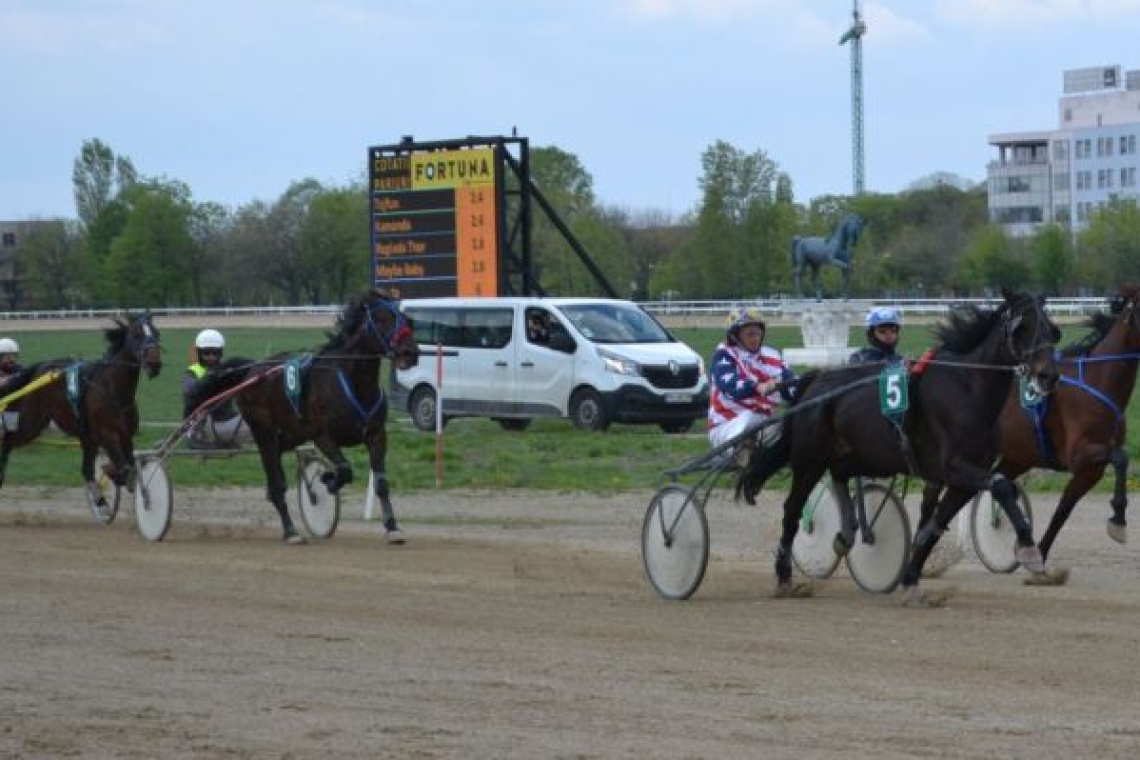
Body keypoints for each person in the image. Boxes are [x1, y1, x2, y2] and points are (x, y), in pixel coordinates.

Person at [708, 308, 795, 461]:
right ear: (735, 336)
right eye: (749, 334)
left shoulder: (772, 356)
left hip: (764, 423)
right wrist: (759, 387)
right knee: (750, 418)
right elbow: (731, 387)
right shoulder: (724, 355)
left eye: (758, 333)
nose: (755, 338)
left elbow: (792, 388)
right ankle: (741, 451)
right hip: (727, 427)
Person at [182, 329, 246, 449]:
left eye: (215, 353)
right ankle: (194, 435)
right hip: (201, 418)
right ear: (199, 353)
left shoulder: (225, 370)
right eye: (206, 353)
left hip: (226, 416)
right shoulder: (192, 371)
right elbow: (190, 391)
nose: (211, 357)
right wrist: (210, 378)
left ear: (220, 353)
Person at [0, 337, 25, 435]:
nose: (11, 359)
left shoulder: (19, 369)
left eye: (13, 356)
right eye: (7, 356)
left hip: (14, 408)